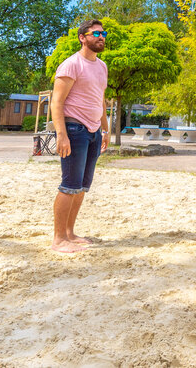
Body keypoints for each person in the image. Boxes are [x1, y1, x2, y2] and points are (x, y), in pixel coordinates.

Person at [49, 18, 110, 254]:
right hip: (74, 130)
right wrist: (61, 135)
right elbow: (57, 102)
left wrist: (104, 130)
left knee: (82, 187)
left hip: (94, 132)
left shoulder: (102, 66)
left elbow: (100, 101)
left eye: (103, 33)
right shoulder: (71, 65)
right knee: (69, 185)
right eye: (95, 33)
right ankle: (58, 239)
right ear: (82, 38)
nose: (101, 36)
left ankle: (70, 233)